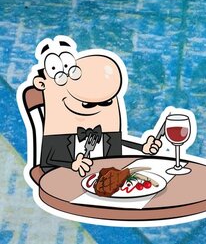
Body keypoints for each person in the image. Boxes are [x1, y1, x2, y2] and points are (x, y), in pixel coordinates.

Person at [31, 37, 162, 175]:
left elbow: (116, 147)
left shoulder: (105, 116)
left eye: (106, 102)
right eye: (87, 104)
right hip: (61, 178)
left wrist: (142, 147)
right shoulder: (59, 121)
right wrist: (72, 165)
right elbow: (48, 162)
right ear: (41, 83)